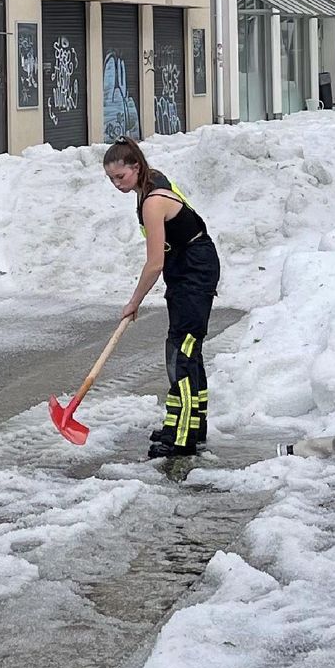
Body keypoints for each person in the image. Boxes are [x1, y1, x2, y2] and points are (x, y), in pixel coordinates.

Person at [104, 138, 221, 459]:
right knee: (187, 347)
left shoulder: (153, 201)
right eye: (111, 179)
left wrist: (134, 302)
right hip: (189, 264)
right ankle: (191, 425)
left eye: (121, 177)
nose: (117, 185)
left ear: (136, 167)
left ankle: (182, 438)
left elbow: (154, 262)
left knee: (181, 351)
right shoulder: (150, 180)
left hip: (193, 269)